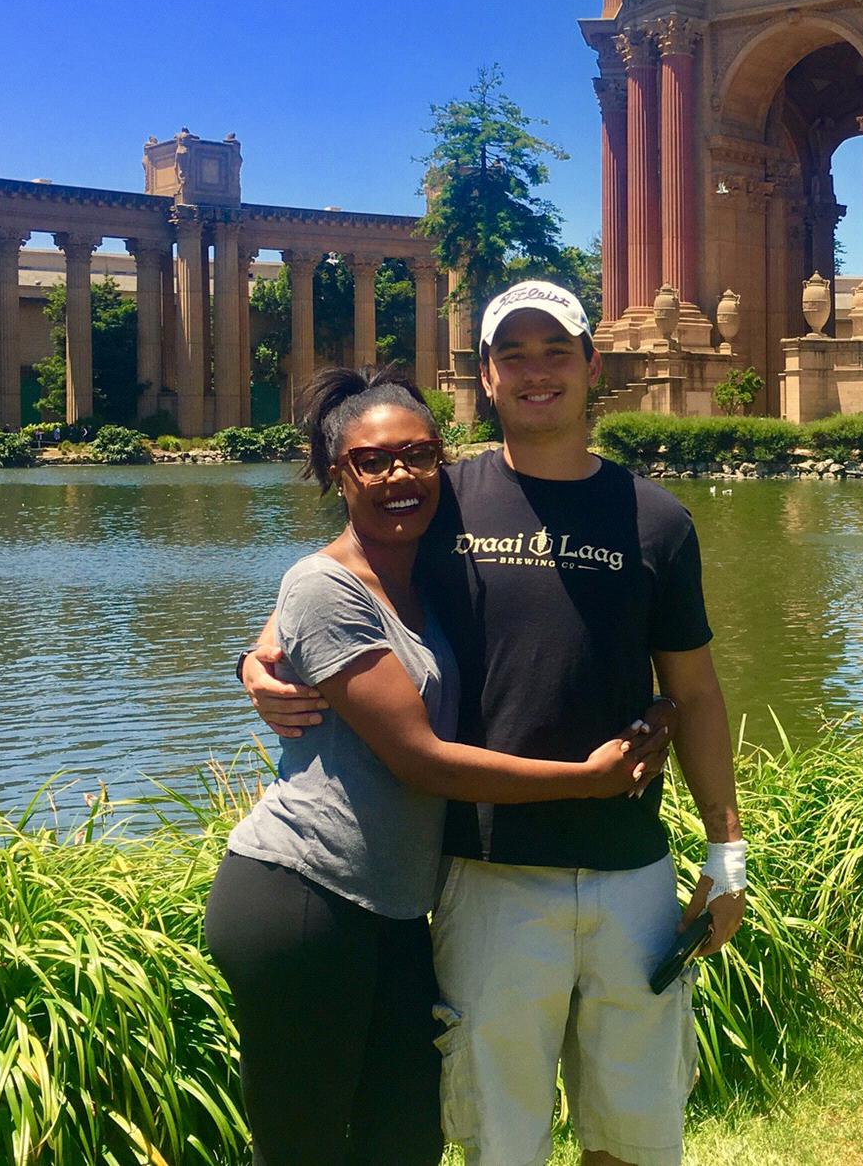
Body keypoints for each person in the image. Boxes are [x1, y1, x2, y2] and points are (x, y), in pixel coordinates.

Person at [242, 280, 745, 1166]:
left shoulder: (658, 521)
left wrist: (725, 854)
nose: (536, 372)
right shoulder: (445, 498)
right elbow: (332, 574)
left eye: (556, 352)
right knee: (498, 1138)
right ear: (486, 374)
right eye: (513, 355)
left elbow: (697, 694)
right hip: (487, 875)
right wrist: (257, 654)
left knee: (635, 1127)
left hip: (631, 868)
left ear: (594, 366)